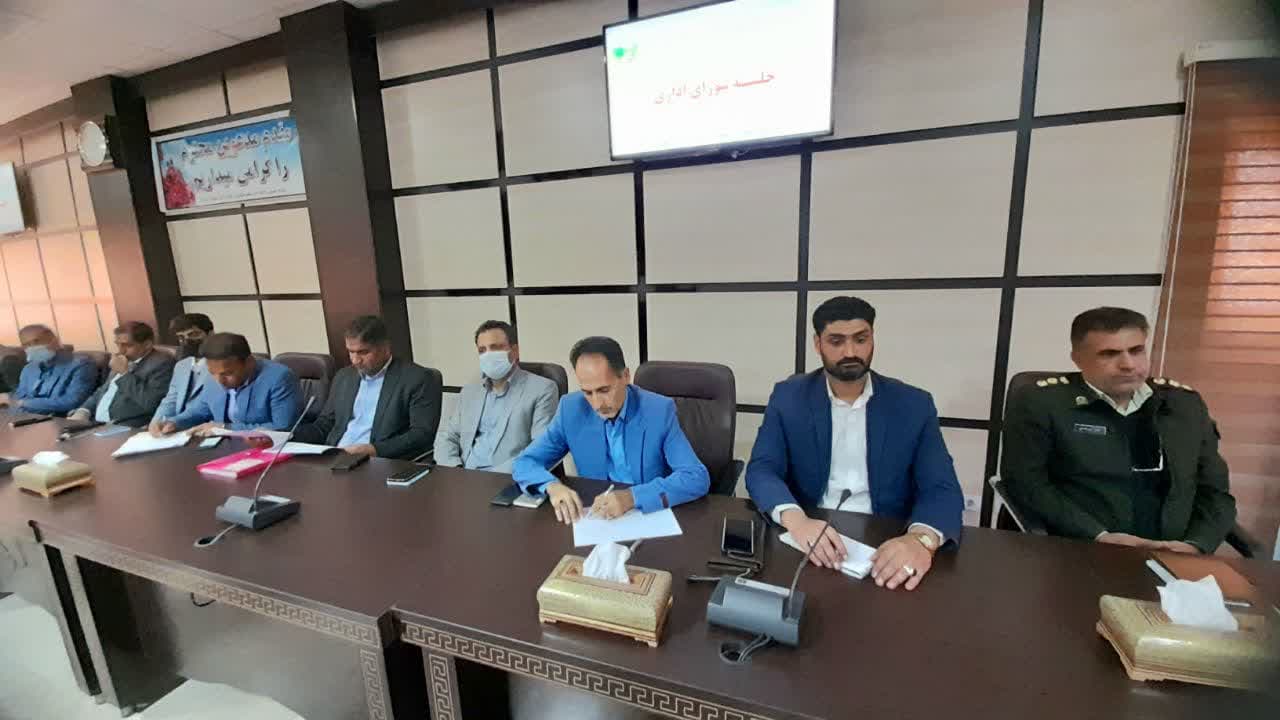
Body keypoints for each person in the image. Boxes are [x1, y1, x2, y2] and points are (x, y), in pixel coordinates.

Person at [746, 296, 964, 591]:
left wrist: (920, 540)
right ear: (817, 344)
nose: (850, 352)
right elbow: (762, 468)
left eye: (860, 339)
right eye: (836, 341)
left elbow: (941, 487)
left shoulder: (913, 404)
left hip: (887, 538)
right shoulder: (789, 397)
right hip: (808, 534)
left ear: (873, 339)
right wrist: (797, 520)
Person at [1001, 307, 1236, 554]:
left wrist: (1197, 545)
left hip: (1176, 553)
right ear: (1077, 358)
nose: (1128, 364)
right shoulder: (1043, 403)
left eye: (1136, 350)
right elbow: (1027, 483)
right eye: (1109, 354)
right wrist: (1098, 535)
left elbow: (1215, 492)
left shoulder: (1184, 404)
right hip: (1081, 549)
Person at [512, 336, 709, 523]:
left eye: (604, 390)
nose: (597, 404)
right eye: (588, 392)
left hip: (646, 516)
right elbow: (525, 462)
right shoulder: (570, 410)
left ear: (625, 376)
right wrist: (551, 486)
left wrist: (632, 497)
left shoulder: (658, 411)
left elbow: (695, 477)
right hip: (597, 518)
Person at [293, 315, 443, 460]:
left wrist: (375, 450)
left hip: (380, 460)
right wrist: (289, 436)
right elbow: (325, 424)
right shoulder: (344, 377)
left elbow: (421, 434)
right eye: (351, 352)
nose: (355, 360)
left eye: (363, 352)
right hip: (335, 457)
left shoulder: (417, 379)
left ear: (385, 348)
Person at [434, 320, 559, 472]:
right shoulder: (470, 391)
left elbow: (540, 448)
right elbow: (447, 436)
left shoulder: (542, 389)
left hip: (509, 477)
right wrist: (455, 469)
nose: (488, 355)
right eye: (482, 350)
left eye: (495, 348)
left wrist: (494, 477)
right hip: (463, 474)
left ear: (515, 351)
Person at [153, 333, 299, 435]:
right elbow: (200, 410)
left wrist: (224, 428)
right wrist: (174, 422)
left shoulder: (278, 378)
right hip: (223, 448)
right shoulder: (214, 374)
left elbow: (282, 427)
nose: (219, 381)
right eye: (212, 373)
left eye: (227, 374)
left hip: (265, 450)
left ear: (249, 362)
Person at [69, 322, 174, 428]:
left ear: (147, 344)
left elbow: (151, 403)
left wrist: (124, 373)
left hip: (128, 426)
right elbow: (103, 390)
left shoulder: (162, 364)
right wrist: (84, 410)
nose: (120, 350)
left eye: (127, 345)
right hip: (95, 424)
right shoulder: (123, 359)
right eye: (117, 344)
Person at [0, 324, 97, 415]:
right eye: (27, 345)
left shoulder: (81, 364)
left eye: (37, 342)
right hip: (28, 418)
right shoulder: (29, 369)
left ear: (54, 341)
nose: (32, 347)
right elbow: (20, 396)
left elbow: (72, 401)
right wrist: (8, 398)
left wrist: (23, 403)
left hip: (59, 419)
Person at [148, 313, 215, 434]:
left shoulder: (220, 365)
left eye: (193, 334)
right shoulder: (181, 365)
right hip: (176, 429)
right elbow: (171, 400)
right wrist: (157, 422)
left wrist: (174, 422)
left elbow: (206, 407)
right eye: (181, 337)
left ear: (210, 334)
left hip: (205, 427)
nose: (187, 341)